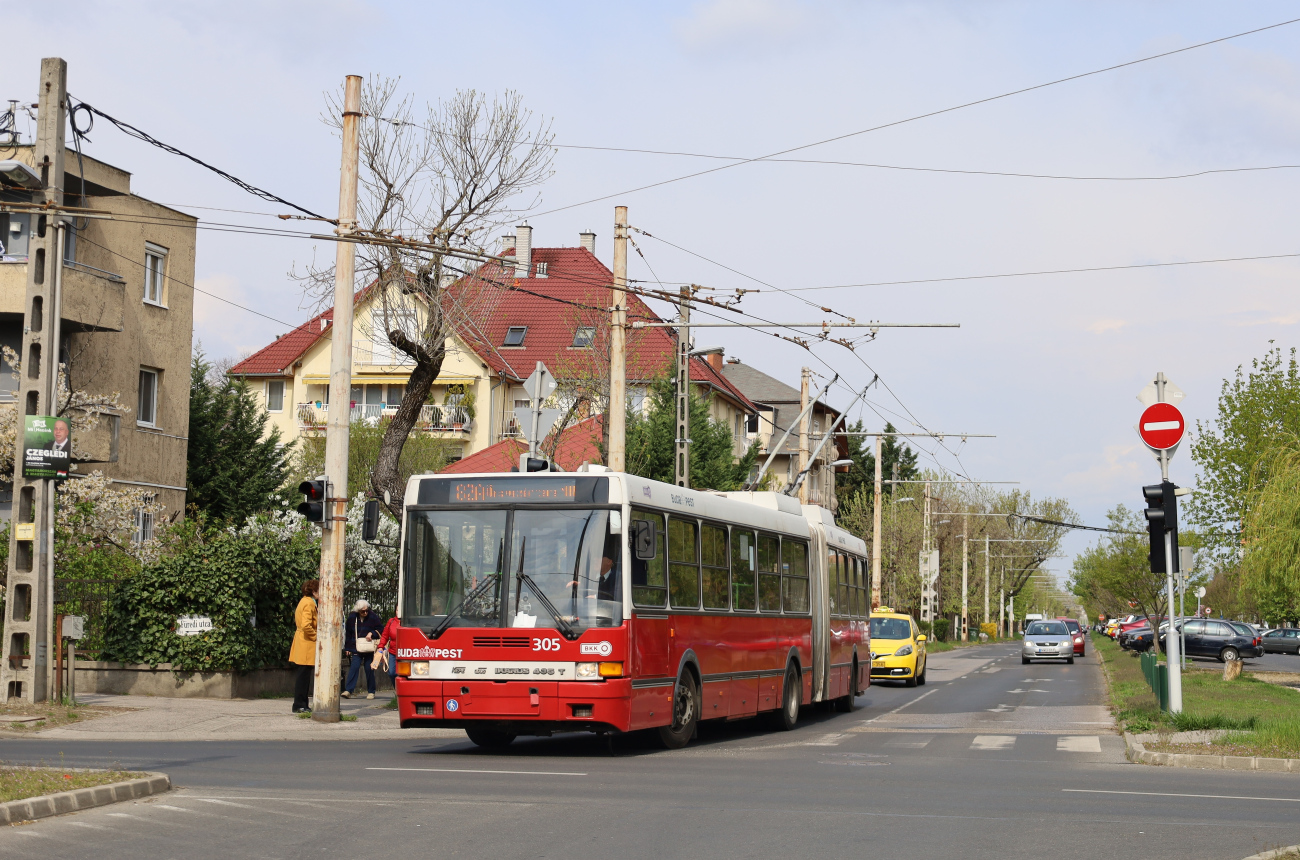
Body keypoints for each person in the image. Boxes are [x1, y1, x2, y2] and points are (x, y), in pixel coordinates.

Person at [343, 599, 383, 699]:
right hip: (356, 646)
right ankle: (348, 690)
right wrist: (347, 648)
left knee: (369, 668)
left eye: (366, 610)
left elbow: (380, 629)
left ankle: (371, 691)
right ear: (358, 611)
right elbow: (348, 633)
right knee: (354, 667)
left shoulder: (372, 616)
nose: (365, 613)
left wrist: (372, 633)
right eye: (362, 611)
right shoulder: (352, 618)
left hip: (369, 646)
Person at [289, 579, 318, 713]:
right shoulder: (309, 603)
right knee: (303, 675)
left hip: (303, 641)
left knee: (304, 675)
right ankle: (300, 704)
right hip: (306, 643)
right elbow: (306, 625)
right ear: (314, 591)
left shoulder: (305, 601)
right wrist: (316, 636)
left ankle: (302, 704)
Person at [372, 613, 400, 693]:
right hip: (393, 651)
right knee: (391, 672)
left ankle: (400, 692)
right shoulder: (391, 621)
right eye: (397, 610)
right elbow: (385, 636)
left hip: (405, 652)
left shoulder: (408, 621)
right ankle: (397, 691)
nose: (399, 612)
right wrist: (380, 647)